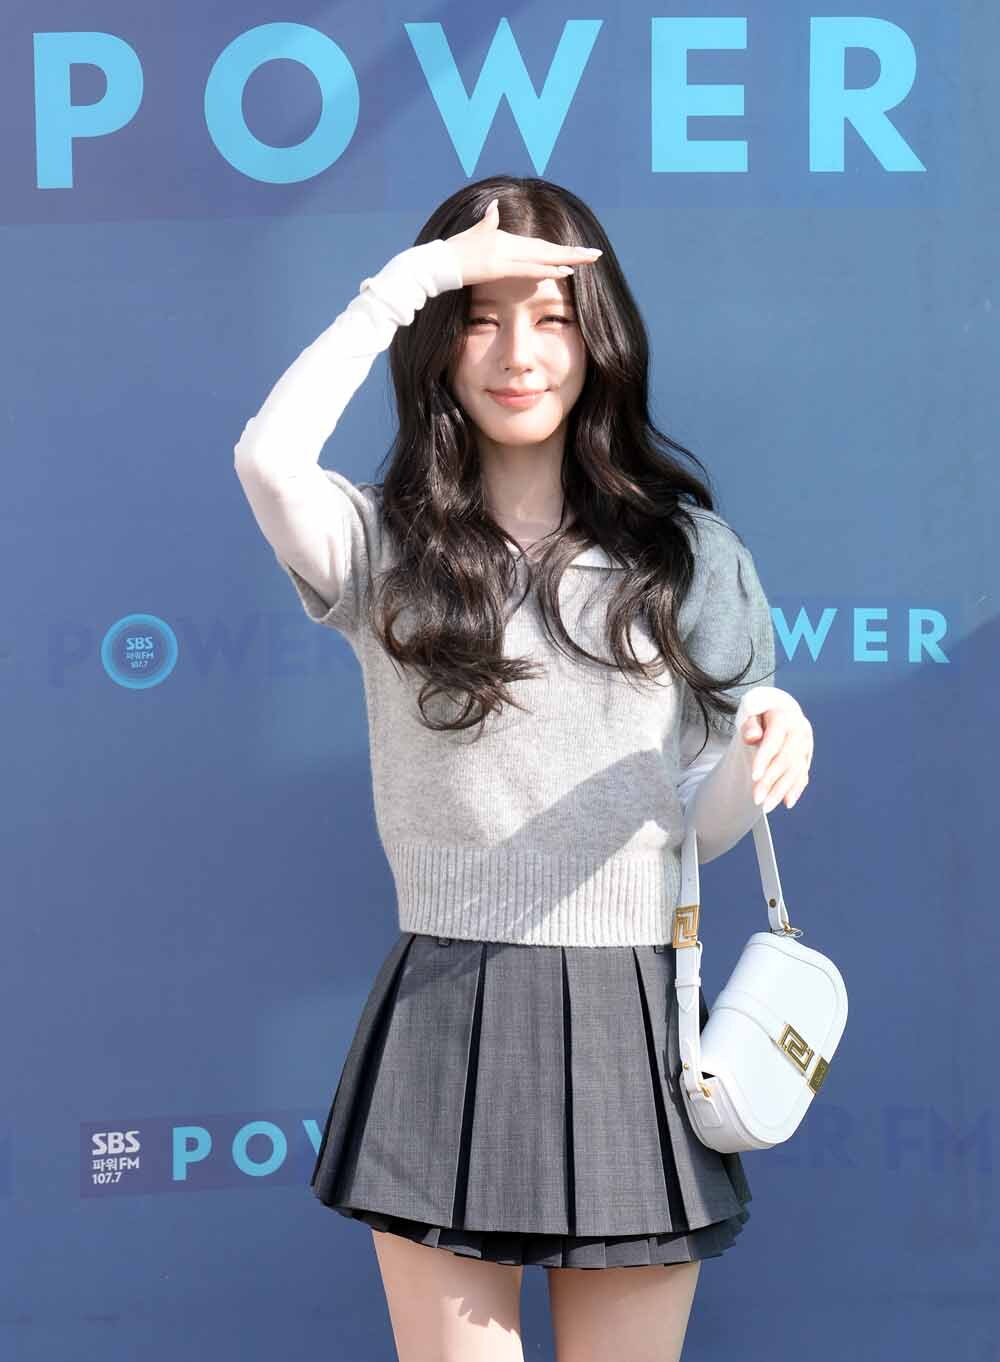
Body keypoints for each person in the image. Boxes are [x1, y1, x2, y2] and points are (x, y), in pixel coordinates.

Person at [233, 176, 813, 1362]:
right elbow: (267, 458)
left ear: (598, 341)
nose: (517, 356)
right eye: (479, 319)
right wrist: (411, 281)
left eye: (550, 318)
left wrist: (760, 742)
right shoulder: (383, 544)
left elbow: (692, 833)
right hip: (448, 1000)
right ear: (437, 340)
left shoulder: (683, 553)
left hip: (634, 1007)